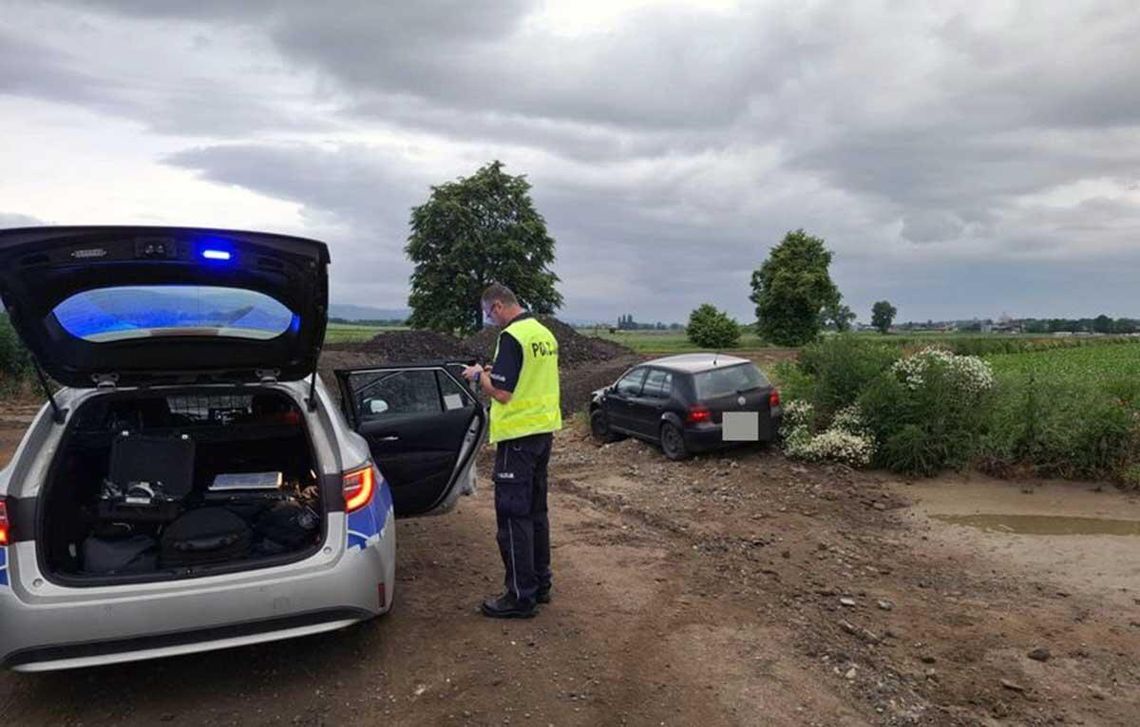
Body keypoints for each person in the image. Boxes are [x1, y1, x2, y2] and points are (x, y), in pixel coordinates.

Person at [462, 283, 561, 618]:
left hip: (516, 437)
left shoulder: (511, 336)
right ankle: (540, 584)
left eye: (490, 314)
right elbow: (526, 379)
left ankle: (520, 596)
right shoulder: (543, 334)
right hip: (542, 433)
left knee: (513, 516)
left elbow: (502, 394)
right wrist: (494, 374)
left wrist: (479, 376)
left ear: (499, 306)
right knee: (536, 513)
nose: (491, 320)